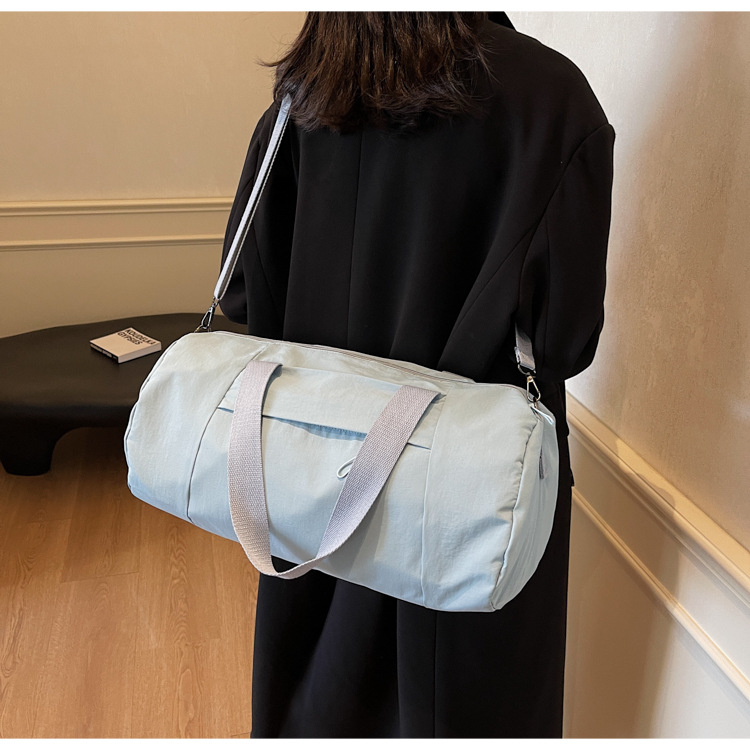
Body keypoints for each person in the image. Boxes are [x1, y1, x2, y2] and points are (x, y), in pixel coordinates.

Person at [219, 11, 615, 738]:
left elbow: (245, 296)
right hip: (471, 505)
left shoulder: (307, 93)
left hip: (311, 482)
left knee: (316, 700)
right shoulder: (553, 100)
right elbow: (564, 343)